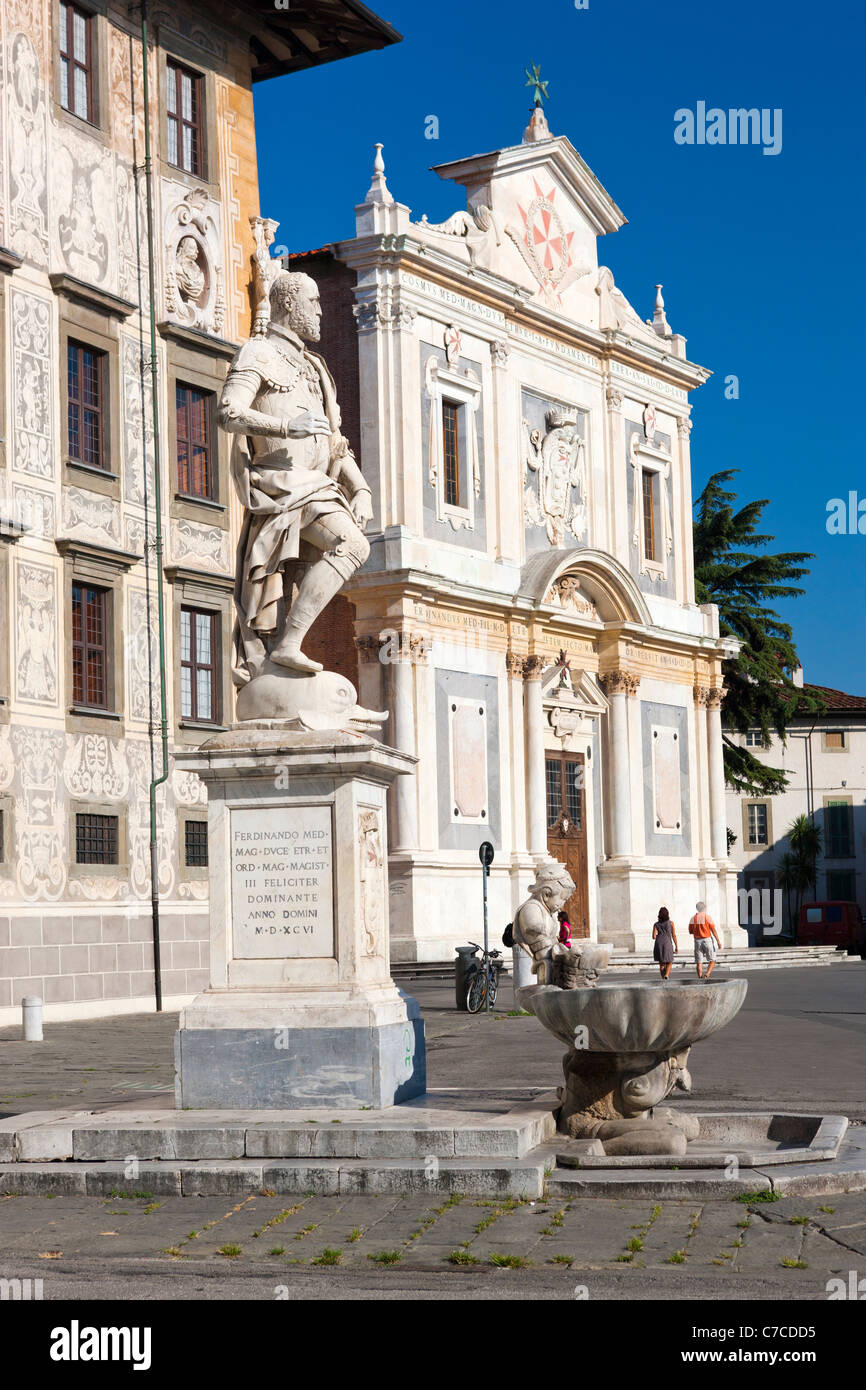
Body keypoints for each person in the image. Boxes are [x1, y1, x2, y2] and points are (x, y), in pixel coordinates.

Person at [689, 900, 722, 980]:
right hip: (707, 940)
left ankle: (700, 977)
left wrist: (698, 929)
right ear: (704, 908)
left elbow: (690, 931)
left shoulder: (693, 918)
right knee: (713, 959)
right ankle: (707, 974)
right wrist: (718, 941)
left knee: (699, 962)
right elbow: (713, 929)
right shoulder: (707, 917)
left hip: (697, 940)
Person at [652, 907, 677, 980]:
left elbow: (654, 936)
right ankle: (666, 975)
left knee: (662, 963)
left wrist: (660, 936)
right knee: (670, 960)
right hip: (667, 943)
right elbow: (674, 935)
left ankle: (663, 979)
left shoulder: (656, 924)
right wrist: (676, 946)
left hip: (659, 943)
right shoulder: (671, 923)